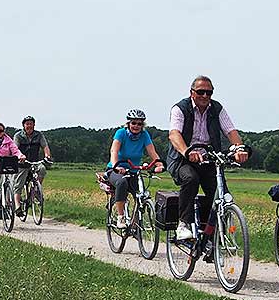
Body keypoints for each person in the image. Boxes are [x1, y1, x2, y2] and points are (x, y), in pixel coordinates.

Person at [166, 75, 249, 241]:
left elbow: (231, 131)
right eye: (201, 92)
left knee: (220, 192)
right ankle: (184, 223)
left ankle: (214, 234)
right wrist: (187, 151)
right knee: (191, 179)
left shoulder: (216, 108)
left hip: (209, 158)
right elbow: (174, 134)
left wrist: (239, 149)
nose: (205, 96)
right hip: (183, 159)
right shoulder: (180, 109)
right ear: (192, 93)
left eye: (209, 93)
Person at [106, 110, 164, 228]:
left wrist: (159, 164)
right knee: (122, 182)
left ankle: (135, 224)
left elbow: (152, 152)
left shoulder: (144, 135)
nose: (136, 126)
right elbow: (114, 151)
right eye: (133, 123)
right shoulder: (121, 133)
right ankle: (120, 217)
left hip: (134, 171)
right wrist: (116, 166)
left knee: (141, 193)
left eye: (139, 124)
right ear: (128, 123)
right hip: (116, 169)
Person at [12, 115, 52, 216]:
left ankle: (36, 190)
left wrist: (47, 156)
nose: (29, 125)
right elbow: (15, 148)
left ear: (34, 125)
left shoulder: (39, 135)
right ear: (23, 125)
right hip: (22, 163)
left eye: (31, 123)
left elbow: (45, 146)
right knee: (18, 185)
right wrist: (19, 156)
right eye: (27, 124)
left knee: (42, 169)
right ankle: (17, 207)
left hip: (35, 162)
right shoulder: (18, 136)